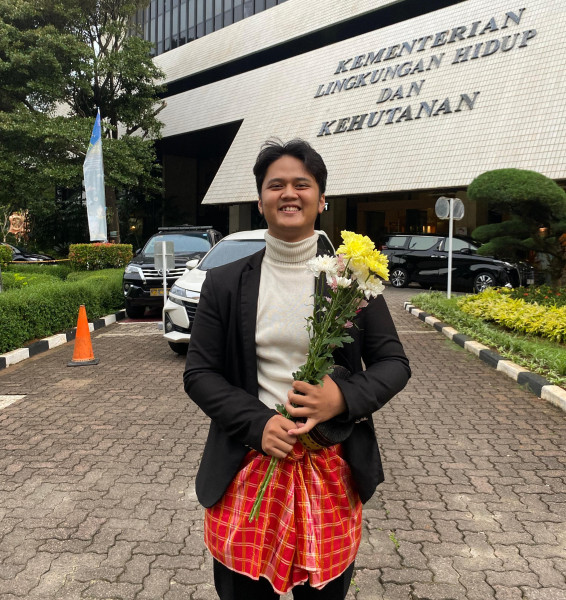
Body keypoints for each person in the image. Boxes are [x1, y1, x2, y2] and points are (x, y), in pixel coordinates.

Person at [184, 138, 411, 599]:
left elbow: (394, 364)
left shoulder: (353, 282)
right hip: (248, 464)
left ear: (321, 199)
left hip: (330, 466)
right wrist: (258, 423)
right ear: (260, 200)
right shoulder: (225, 283)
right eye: (276, 185)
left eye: (302, 184)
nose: (289, 193)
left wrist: (341, 398)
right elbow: (200, 373)